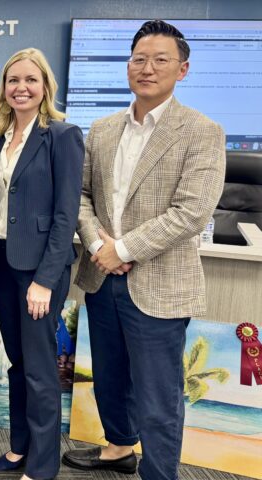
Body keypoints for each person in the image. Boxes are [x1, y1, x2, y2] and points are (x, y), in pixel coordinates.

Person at [62, 20, 226, 480]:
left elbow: (191, 212)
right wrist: (99, 245)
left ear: (183, 69)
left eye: (160, 60)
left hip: (159, 284)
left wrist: (126, 248)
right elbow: (81, 196)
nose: (147, 68)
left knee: (158, 396)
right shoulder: (102, 128)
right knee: (110, 378)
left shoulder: (202, 131)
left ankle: (159, 473)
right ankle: (118, 448)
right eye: (139, 59)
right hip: (102, 276)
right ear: (127, 65)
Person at [0, 48, 84, 480]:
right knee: (19, 363)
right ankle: (20, 446)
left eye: (30, 80)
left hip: (38, 271)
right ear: (4, 88)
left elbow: (66, 215)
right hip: (2, 263)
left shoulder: (62, 135)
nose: (21, 88)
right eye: (13, 80)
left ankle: (43, 467)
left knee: (41, 369)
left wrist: (44, 280)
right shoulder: (2, 137)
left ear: (45, 87)